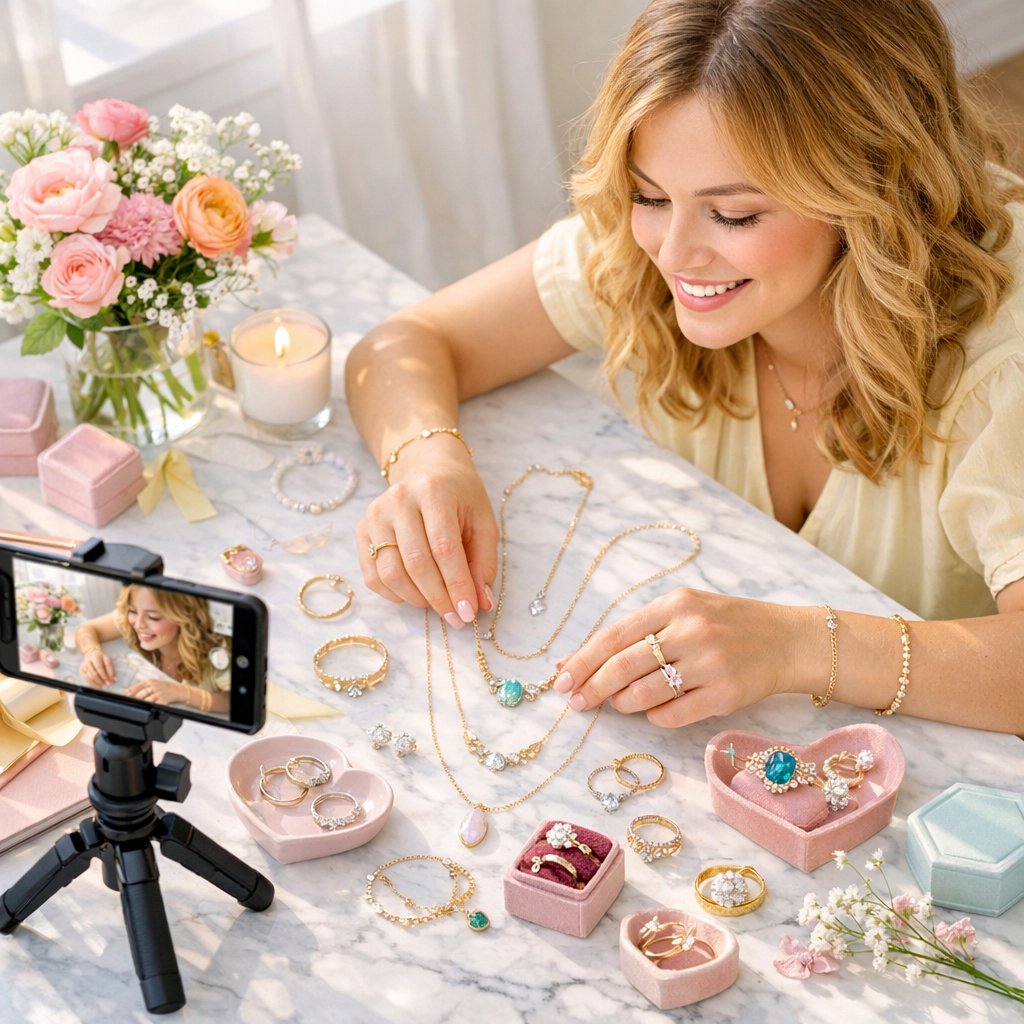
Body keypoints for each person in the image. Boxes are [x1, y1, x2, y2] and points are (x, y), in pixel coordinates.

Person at [344, 0, 1024, 735]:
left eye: (734, 216)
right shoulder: (647, 252)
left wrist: (797, 645)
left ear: (874, 192)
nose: (672, 253)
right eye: (649, 195)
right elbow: (403, 344)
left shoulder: (1004, 361)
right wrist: (427, 463)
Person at [74, 585, 230, 714]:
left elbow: (235, 703)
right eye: (133, 611)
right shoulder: (132, 622)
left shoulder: (216, 653)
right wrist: (92, 652)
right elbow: (86, 629)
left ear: (184, 618)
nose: (139, 624)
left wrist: (182, 693)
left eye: (154, 617)